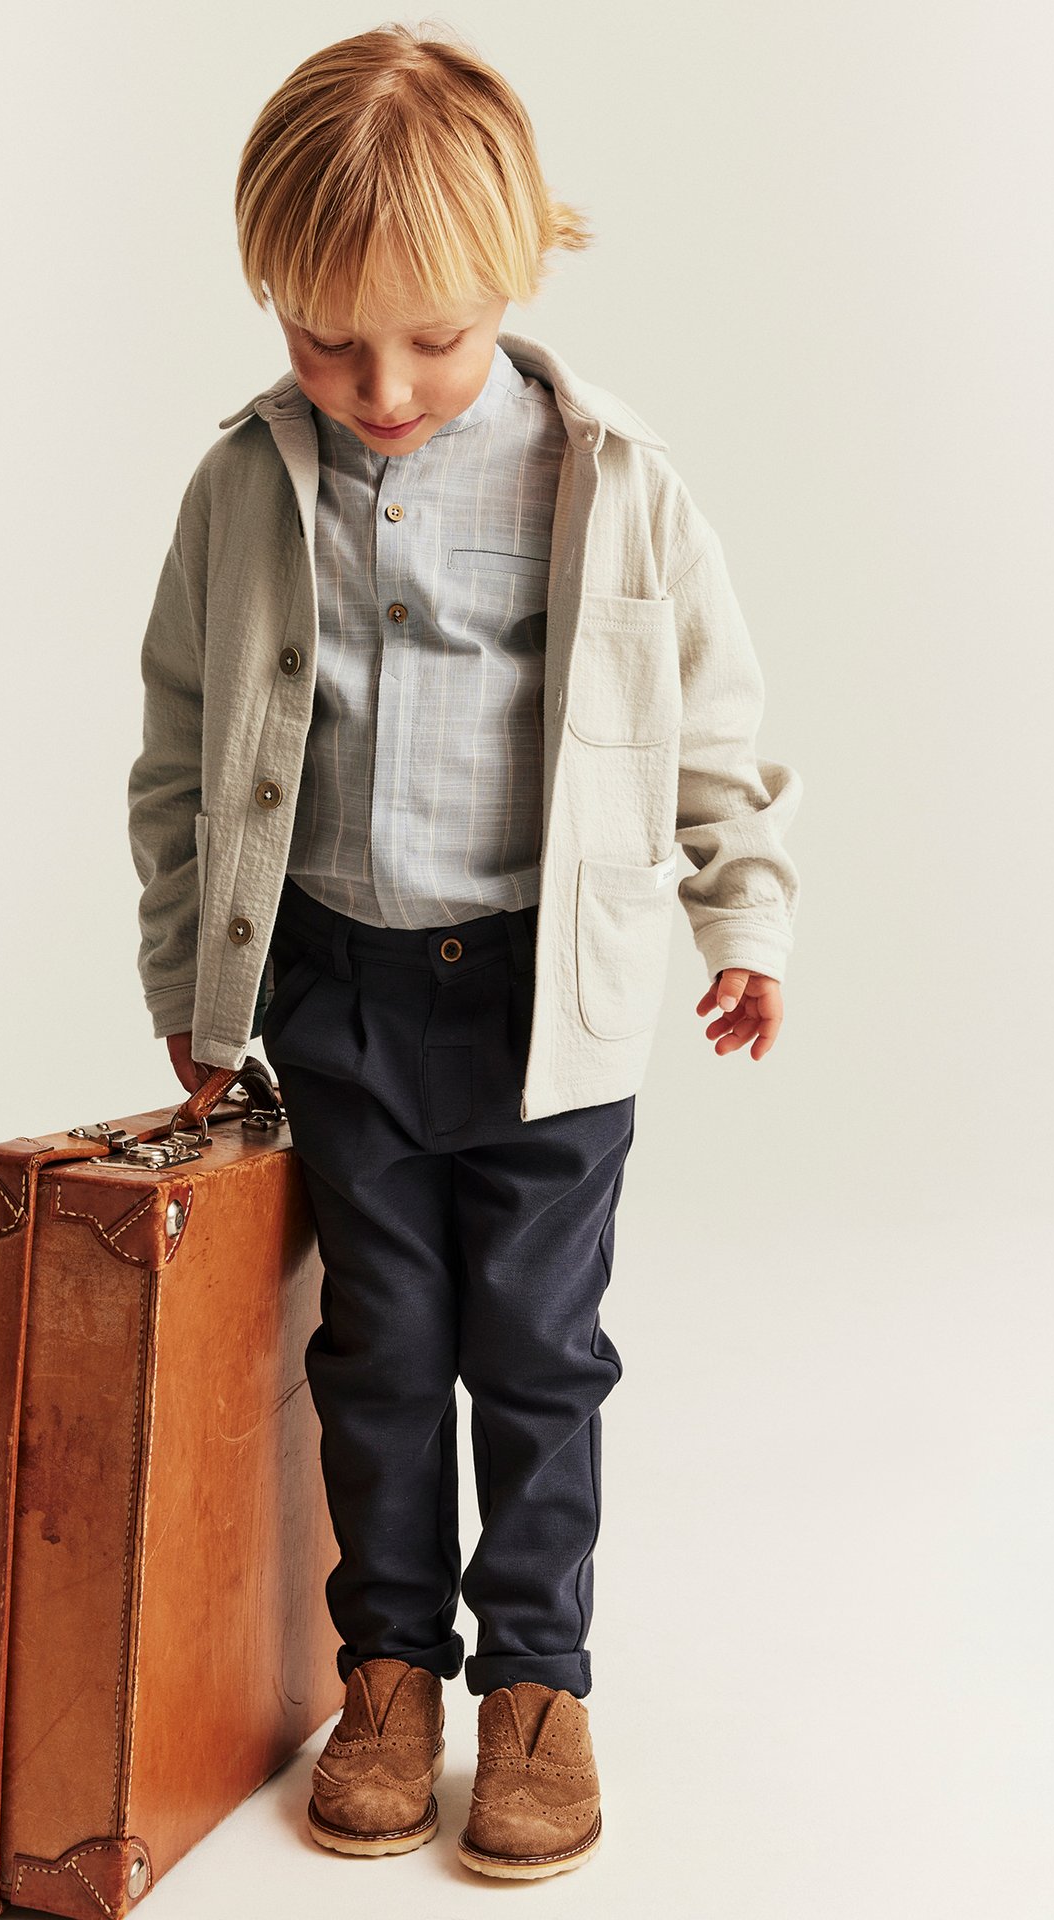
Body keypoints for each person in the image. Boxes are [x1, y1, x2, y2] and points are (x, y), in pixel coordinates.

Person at [126, 21, 803, 1882]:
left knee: (536, 1349)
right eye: (327, 338)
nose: (385, 382)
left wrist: (742, 915)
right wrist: (199, 989)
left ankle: (539, 1685)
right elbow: (184, 752)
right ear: (272, 298)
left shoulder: (615, 476)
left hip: (543, 1006)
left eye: (432, 334)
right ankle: (390, 1667)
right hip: (337, 987)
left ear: (520, 268)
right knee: (377, 1343)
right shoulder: (246, 488)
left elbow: (715, 727)